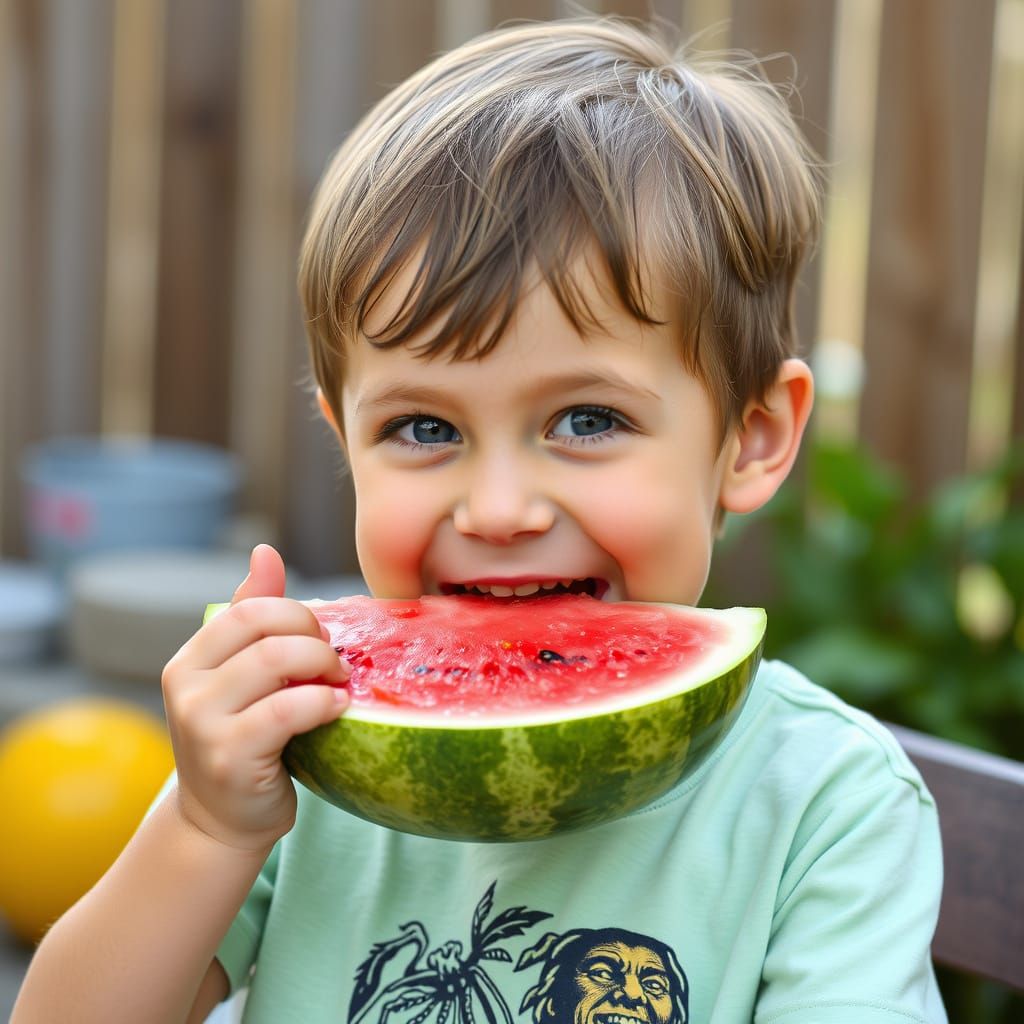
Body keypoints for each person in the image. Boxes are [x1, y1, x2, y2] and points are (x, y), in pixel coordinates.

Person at [13, 17, 947, 1023]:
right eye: (422, 427)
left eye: (587, 420)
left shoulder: (826, 804)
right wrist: (204, 830)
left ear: (753, 435)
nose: (498, 510)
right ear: (345, 440)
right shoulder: (303, 749)